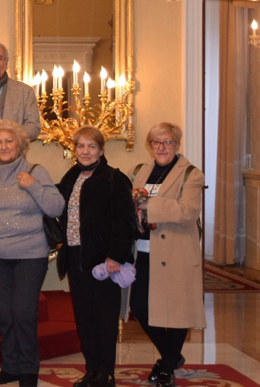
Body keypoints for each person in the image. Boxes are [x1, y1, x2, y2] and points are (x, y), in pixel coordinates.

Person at [0, 119, 64, 387]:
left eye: (9, 141)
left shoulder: (36, 171)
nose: (4, 146)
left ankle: (28, 369)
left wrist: (33, 185)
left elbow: (56, 207)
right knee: (5, 314)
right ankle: (11, 367)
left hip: (30, 254)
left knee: (23, 313)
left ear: (20, 145)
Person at [56, 127, 137, 387]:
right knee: (84, 317)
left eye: (91, 146)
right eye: (81, 146)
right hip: (75, 257)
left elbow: (125, 222)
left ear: (101, 150)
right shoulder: (71, 177)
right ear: (74, 150)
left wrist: (116, 256)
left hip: (103, 261)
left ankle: (106, 372)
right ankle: (91, 369)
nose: (86, 151)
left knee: (104, 318)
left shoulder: (114, 178)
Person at [126, 123, 205, 387]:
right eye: (156, 142)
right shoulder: (138, 171)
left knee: (178, 311)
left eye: (167, 142)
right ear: (150, 145)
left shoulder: (191, 174)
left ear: (177, 144)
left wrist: (148, 203)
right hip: (143, 252)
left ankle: (166, 367)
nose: (161, 147)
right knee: (139, 306)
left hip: (176, 252)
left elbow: (187, 211)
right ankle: (172, 356)